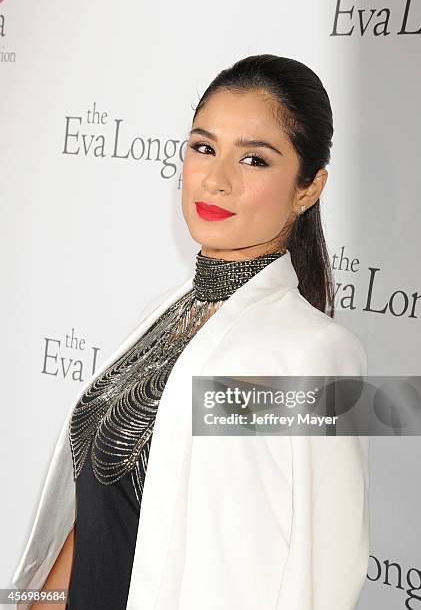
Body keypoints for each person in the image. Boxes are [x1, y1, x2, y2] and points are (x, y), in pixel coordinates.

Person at [13, 54, 369, 610]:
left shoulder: (313, 353)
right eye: (204, 147)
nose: (216, 179)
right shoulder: (161, 315)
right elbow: (101, 510)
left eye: (254, 159)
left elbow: (322, 580)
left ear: (308, 187)